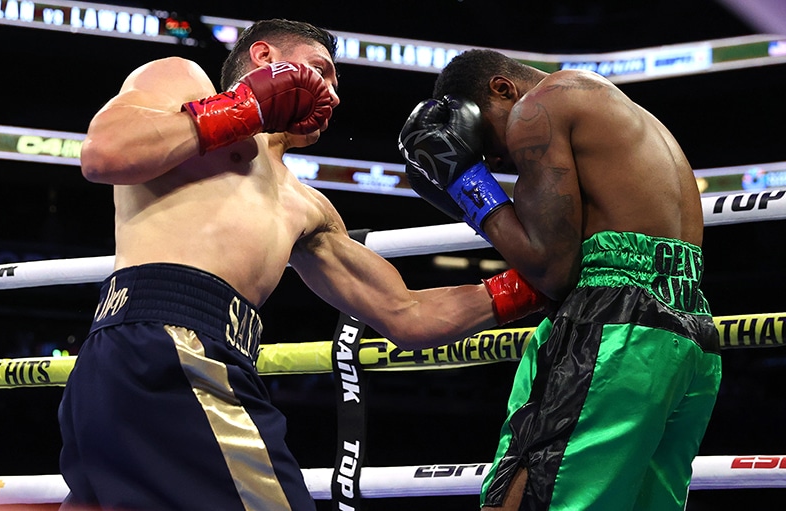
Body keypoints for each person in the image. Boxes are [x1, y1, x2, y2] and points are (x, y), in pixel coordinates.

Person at [57, 20, 547, 511]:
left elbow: (406, 315)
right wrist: (244, 106)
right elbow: (104, 154)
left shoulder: (305, 206)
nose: (331, 94)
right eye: (320, 71)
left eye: (335, 86)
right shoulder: (181, 81)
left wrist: (538, 284)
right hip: (174, 354)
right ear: (264, 57)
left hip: (156, 364)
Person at [399, 48, 722, 510]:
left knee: (526, 497)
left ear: (502, 89)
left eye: (494, 146)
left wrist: (464, 179)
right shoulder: (612, 106)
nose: (506, 160)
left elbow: (550, 267)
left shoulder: (538, 107)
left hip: (613, 324)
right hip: (689, 332)